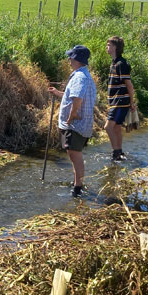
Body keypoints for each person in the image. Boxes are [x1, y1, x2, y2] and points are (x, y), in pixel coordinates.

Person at [48, 45, 97, 198]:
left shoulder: (79, 77)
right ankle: (78, 183)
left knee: (74, 155)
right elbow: (72, 95)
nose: (69, 59)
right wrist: (57, 93)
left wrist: (70, 117)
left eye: (71, 57)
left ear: (76, 59)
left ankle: (78, 188)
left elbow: (77, 99)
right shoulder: (83, 75)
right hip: (81, 124)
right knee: (74, 154)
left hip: (76, 124)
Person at [104, 36, 136, 161]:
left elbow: (129, 85)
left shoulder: (121, 64)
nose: (107, 47)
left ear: (115, 47)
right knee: (116, 127)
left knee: (108, 127)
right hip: (115, 101)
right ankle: (119, 152)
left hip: (120, 101)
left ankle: (116, 152)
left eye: (109, 45)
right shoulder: (113, 63)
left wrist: (132, 102)